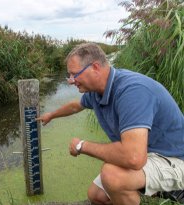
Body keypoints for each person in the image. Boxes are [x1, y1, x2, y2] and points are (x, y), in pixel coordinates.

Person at [37, 43, 184, 205]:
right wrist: (51, 115)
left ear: (95, 67)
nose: (71, 81)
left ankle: (172, 189)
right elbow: (76, 106)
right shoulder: (96, 91)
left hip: (173, 158)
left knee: (112, 175)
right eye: (69, 76)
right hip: (148, 153)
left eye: (74, 74)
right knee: (96, 195)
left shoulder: (132, 91)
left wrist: (82, 146)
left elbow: (133, 157)